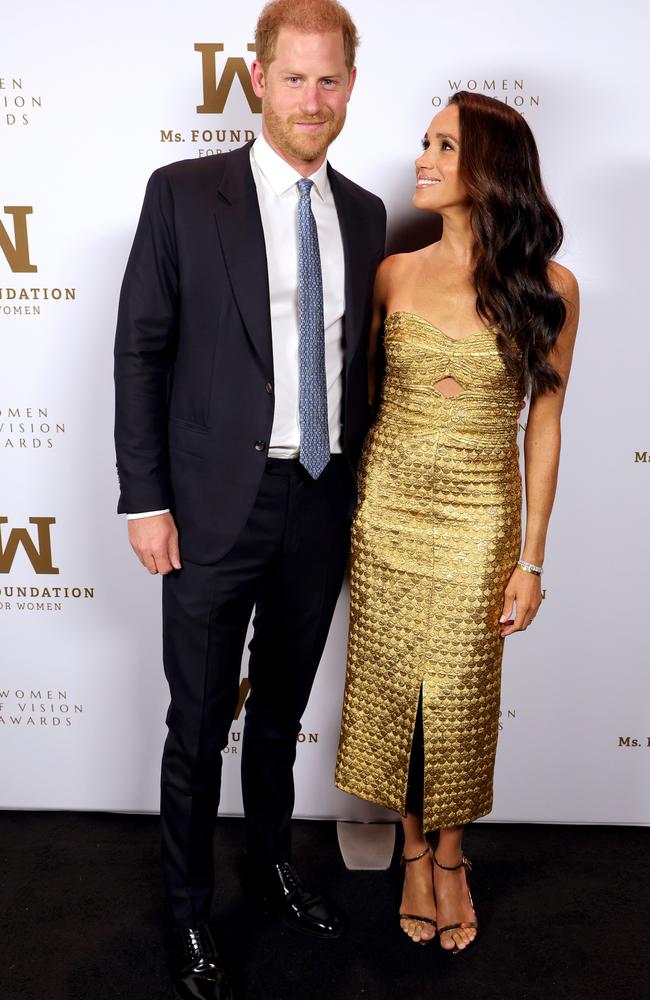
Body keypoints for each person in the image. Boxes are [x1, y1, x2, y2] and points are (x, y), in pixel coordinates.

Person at [113, 0, 386, 995]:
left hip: (317, 500)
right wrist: (144, 499)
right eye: (293, 77)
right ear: (256, 78)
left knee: (277, 715)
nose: (311, 99)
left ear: (349, 86)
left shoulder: (361, 212)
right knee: (197, 725)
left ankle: (269, 866)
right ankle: (188, 914)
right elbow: (141, 350)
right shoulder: (184, 194)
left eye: (330, 80)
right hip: (208, 507)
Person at [335, 90, 579, 954]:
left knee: (462, 699)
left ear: (489, 170)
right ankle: (409, 849)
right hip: (389, 511)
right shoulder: (394, 272)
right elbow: (354, 401)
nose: (423, 159)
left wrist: (533, 558)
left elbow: (543, 424)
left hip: (481, 518)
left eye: (444, 146)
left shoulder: (550, 288)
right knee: (397, 690)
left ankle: (452, 855)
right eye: (425, 142)